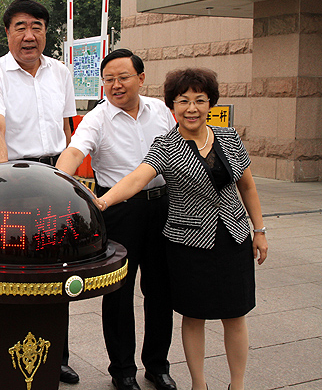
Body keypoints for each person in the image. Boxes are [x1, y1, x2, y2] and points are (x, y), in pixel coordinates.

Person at [96, 67, 268, 390]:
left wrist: (259, 231)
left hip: (233, 237)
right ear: (172, 106)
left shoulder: (229, 138)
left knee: (236, 315)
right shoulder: (166, 146)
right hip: (189, 244)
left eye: (200, 100)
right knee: (194, 315)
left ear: (210, 104)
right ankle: (199, 385)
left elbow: (247, 187)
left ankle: (238, 385)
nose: (192, 108)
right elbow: (137, 179)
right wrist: (102, 203)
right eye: (183, 101)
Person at [56, 49, 177, 390]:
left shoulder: (161, 112)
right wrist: (57, 180)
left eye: (123, 77)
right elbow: (75, 150)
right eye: (108, 79)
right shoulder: (98, 118)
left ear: (141, 78)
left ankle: (157, 365)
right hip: (120, 210)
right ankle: (122, 371)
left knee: (160, 291)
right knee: (119, 293)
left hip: (162, 206)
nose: (115, 85)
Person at [0, 0, 79, 384]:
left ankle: (59, 356)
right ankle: (11, 349)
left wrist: (72, 180)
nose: (29, 34)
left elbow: (69, 128)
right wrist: (5, 181)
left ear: (45, 31)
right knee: (18, 266)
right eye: (20, 26)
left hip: (57, 172)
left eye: (36, 26)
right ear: (7, 33)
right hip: (18, 176)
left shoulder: (61, 72)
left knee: (60, 264)